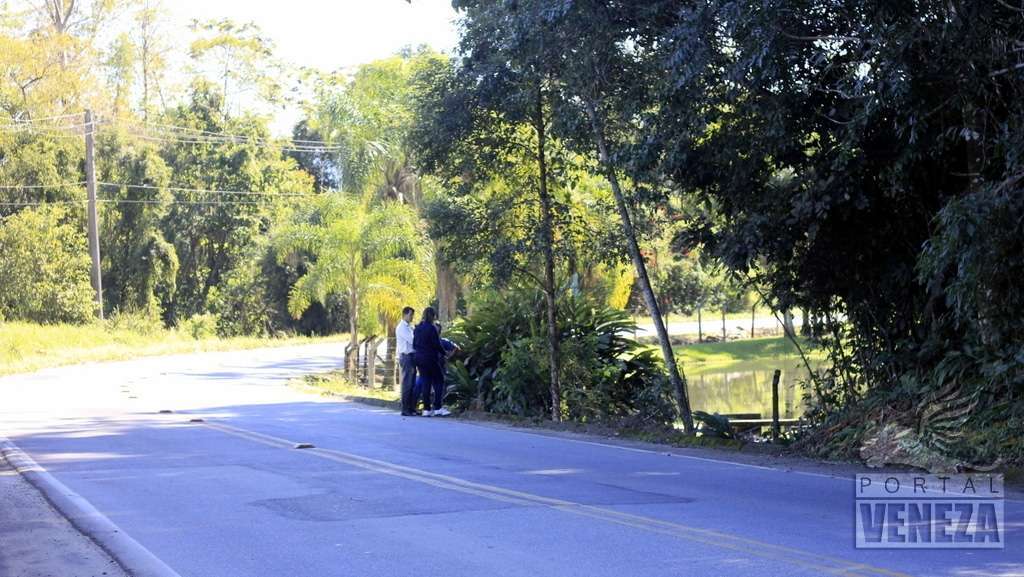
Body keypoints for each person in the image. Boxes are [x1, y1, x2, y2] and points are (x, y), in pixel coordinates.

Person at [413, 307, 447, 417]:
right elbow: (436, 344)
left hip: (419, 358)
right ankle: (438, 407)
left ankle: (426, 409)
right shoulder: (431, 328)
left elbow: (414, 344)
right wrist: (444, 353)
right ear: (433, 316)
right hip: (430, 358)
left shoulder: (418, 328)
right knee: (439, 380)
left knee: (425, 381)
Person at [396, 306, 417, 416]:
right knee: (407, 384)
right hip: (406, 356)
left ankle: (411, 407)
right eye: (410, 315)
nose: (412, 317)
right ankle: (405, 409)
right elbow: (413, 340)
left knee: (412, 383)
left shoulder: (409, 326)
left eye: (412, 315)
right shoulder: (402, 328)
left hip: (412, 356)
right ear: (404, 315)